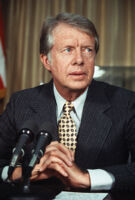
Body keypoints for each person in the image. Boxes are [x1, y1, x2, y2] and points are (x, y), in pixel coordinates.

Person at [0, 12, 135, 192]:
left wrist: (87, 178)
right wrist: (26, 171)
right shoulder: (21, 102)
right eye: (68, 50)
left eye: (88, 50)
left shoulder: (125, 103)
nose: (79, 60)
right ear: (46, 60)